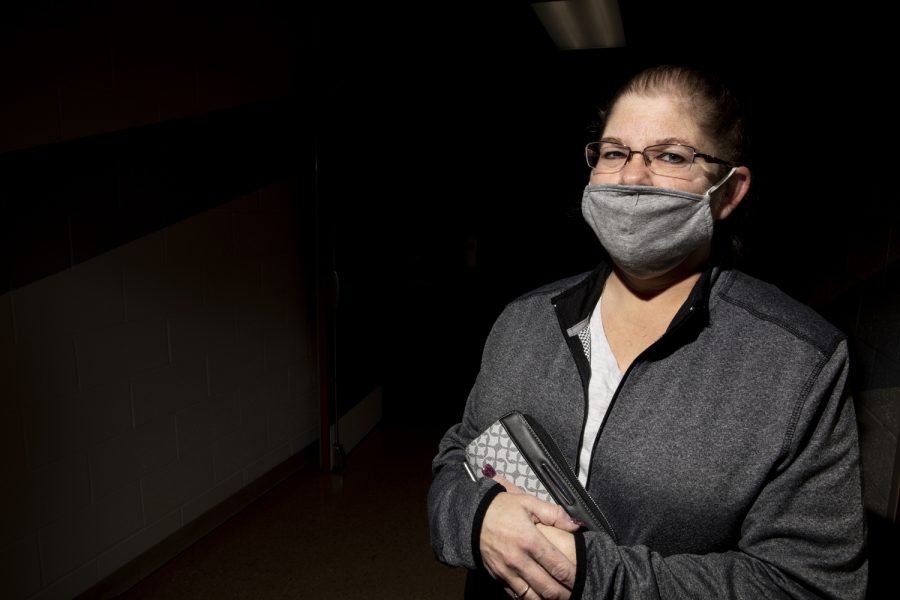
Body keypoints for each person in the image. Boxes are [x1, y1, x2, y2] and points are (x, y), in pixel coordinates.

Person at [426, 63, 868, 599]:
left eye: (670, 155)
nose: (632, 177)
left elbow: (807, 585)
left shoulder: (799, 363)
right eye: (614, 153)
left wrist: (592, 575)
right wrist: (478, 520)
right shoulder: (522, 320)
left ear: (728, 192)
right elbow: (457, 459)